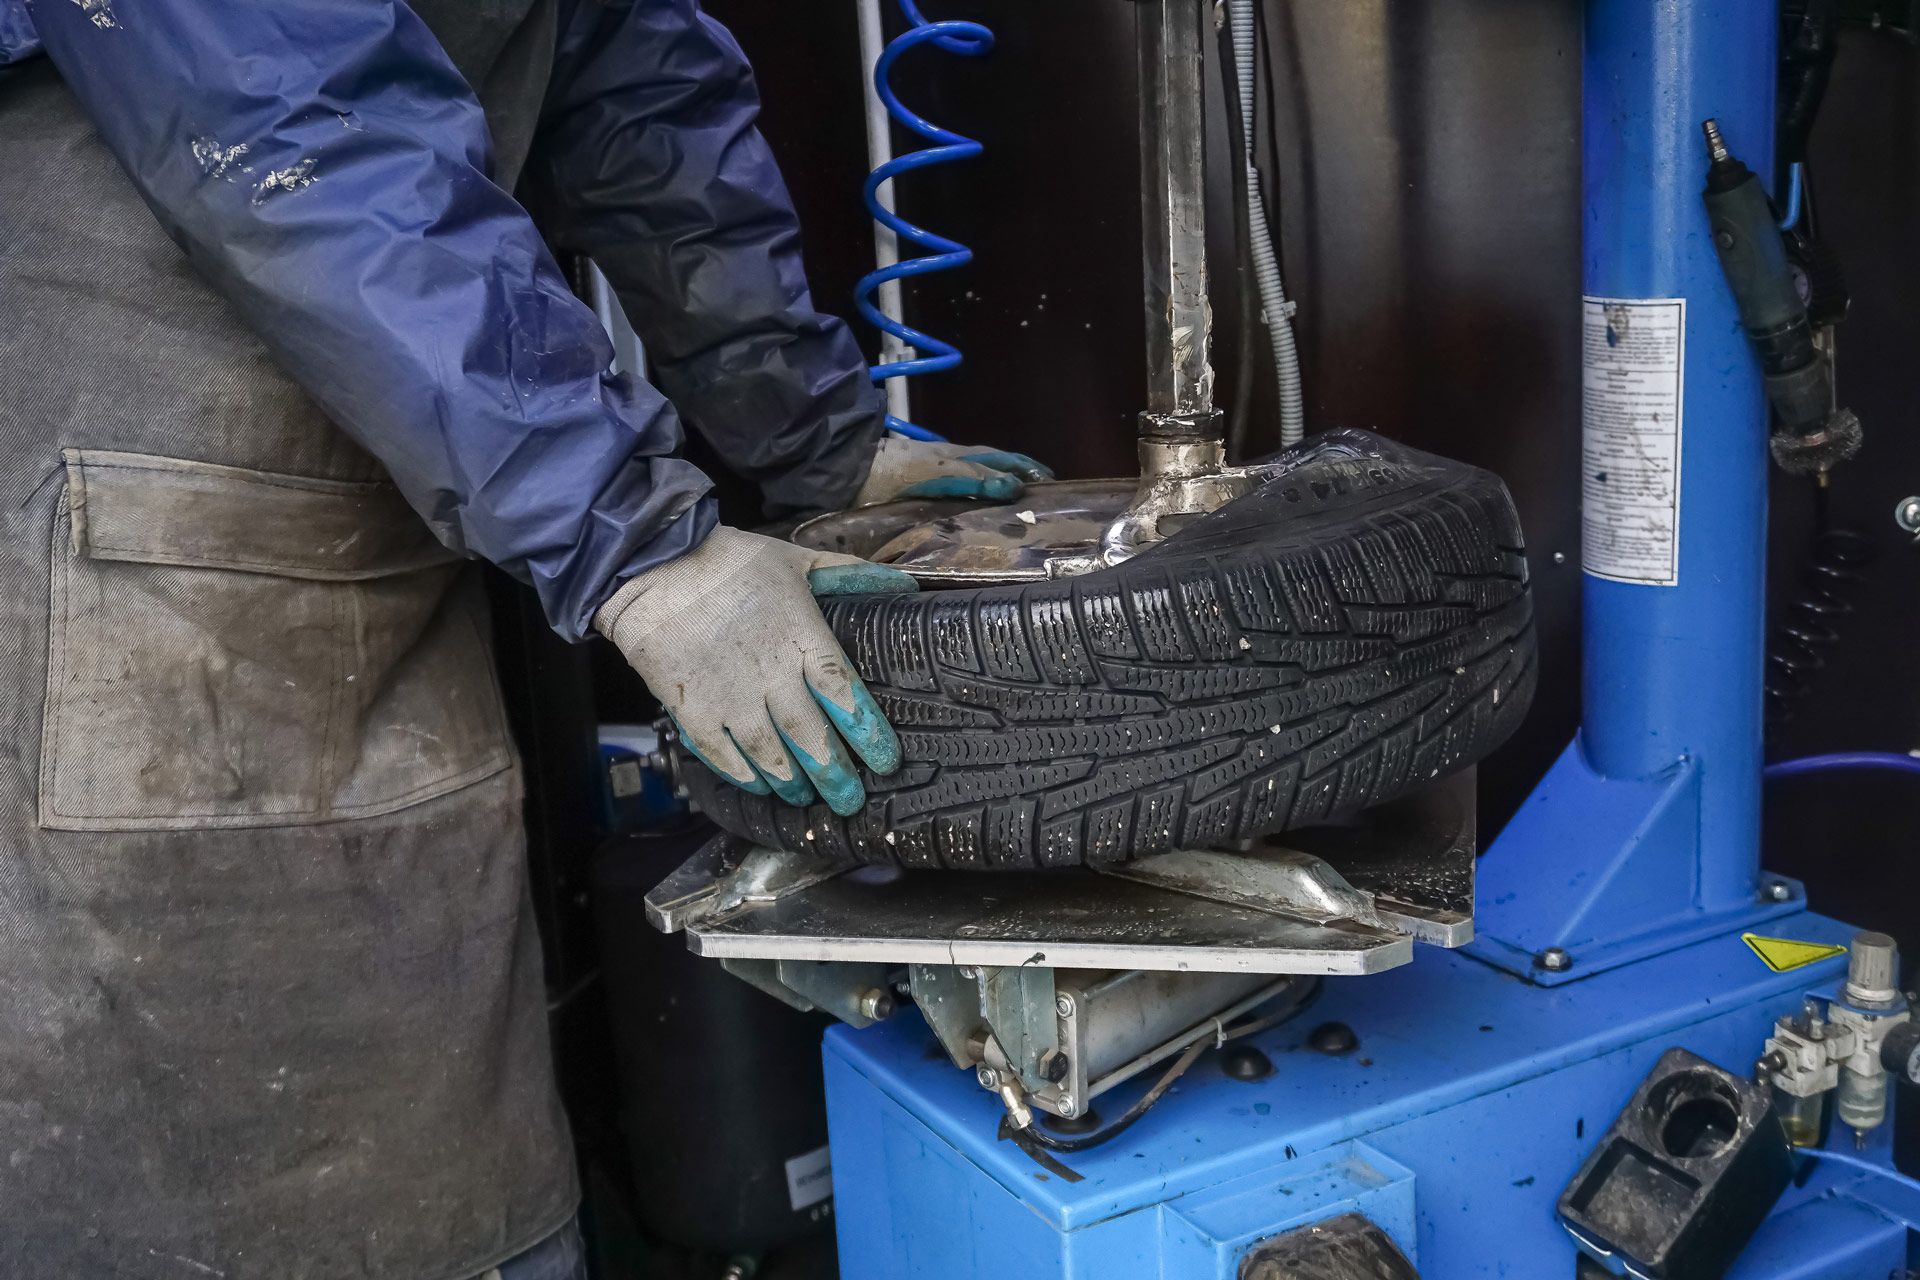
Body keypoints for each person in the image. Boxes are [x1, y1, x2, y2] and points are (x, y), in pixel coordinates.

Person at [0, 1, 1047, 1276]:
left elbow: (640, 80)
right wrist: (631, 533)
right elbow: (277, 104)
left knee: (441, 1133)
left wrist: (810, 431)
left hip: (392, 463)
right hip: (140, 486)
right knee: (228, 1140)